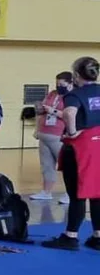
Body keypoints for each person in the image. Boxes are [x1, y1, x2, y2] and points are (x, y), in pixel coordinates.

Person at [42, 56, 100, 251]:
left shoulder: (75, 94)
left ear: (76, 75)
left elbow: (69, 113)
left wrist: (73, 132)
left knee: (76, 194)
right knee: (97, 192)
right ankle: (98, 235)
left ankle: (71, 236)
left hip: (79, 148)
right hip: (98, 146)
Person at [32, 71, 73, 203]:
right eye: (57, 83)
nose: (58, 86)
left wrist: (54, 111)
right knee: (46, 165)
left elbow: (70, 115)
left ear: (70, 83)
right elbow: (42, 110)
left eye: (61, 84)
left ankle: (70, 194)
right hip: (44, 133)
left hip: (59, 135)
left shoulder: (72, 97)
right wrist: (37, 127)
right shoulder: (52, 94)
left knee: (66, 166)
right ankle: (46, 192)